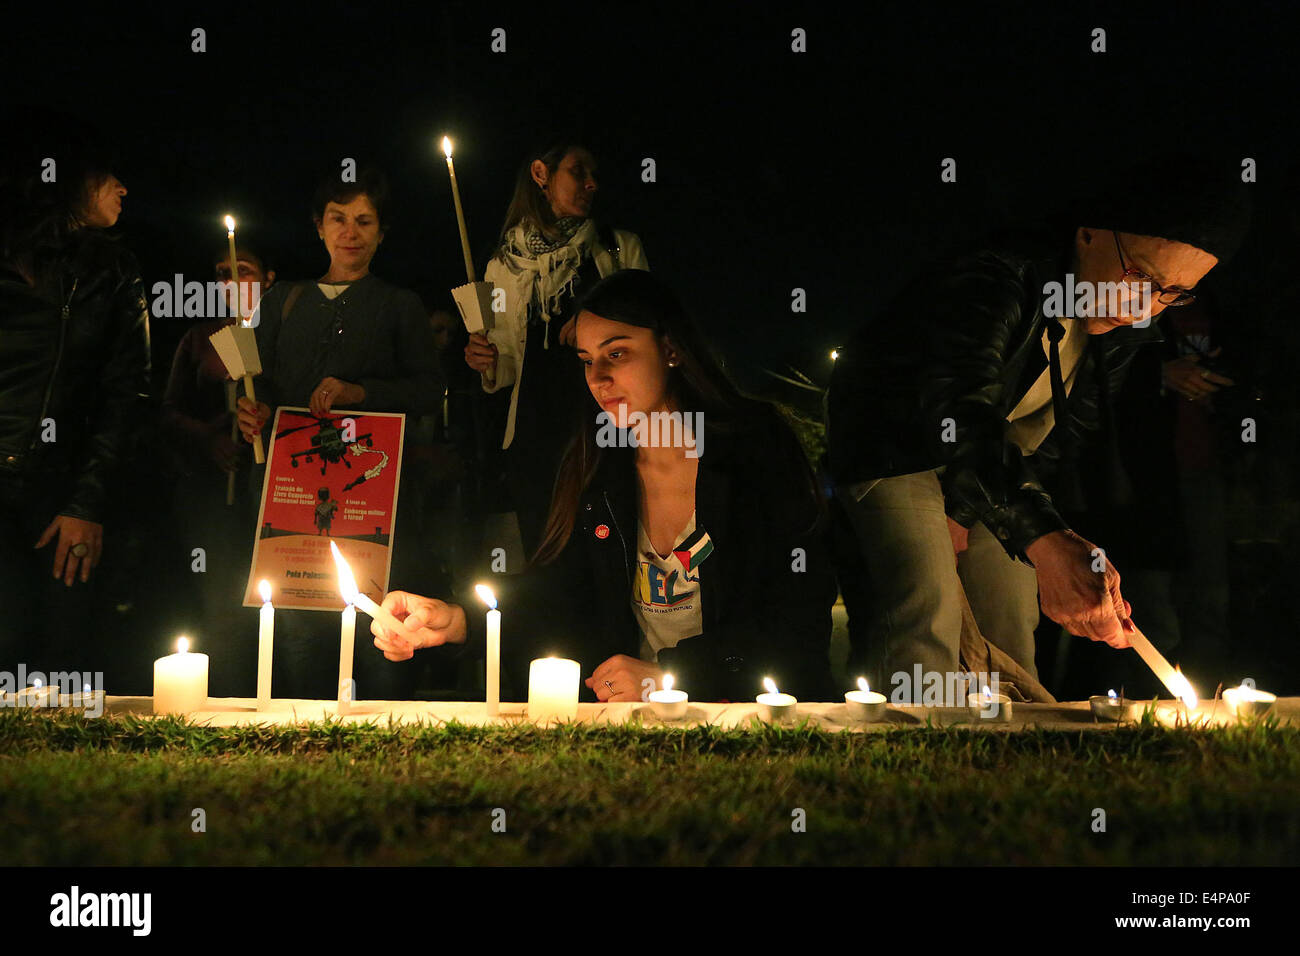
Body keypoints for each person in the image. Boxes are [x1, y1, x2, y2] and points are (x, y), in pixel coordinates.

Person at [825, 159, 1250, 701]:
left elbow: (1059, 439)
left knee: (1011, 608)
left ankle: (1011, 753)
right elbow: (955, 409)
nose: (1145, 307)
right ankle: (912, 754)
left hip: (989, 470)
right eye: (1140, 275)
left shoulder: (1125, 329)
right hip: (895, 447)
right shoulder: (997, 277)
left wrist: (997, 522)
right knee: (925, 598)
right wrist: (1044, 541)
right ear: (1089, 233)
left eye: (1173, 292)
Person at [370, 270, 836, 702]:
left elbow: (798, 614)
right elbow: (557, 593)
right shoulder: (599, 464)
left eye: (617, 353)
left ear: (671, 348)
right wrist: (457, 620)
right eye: (587, 360)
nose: (598, 378)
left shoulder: (753, 449)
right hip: (631, 719)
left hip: (749, 714)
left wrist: (673, 675)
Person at [235, 165, 443, 700]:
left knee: (378, 644)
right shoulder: (283, 301)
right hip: (295, 500)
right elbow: (264, 388)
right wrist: (252, 415)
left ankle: (387, 767)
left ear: (381, 232)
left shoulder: (400, 304)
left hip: (374, 501)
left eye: (365, 221)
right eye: (339, 219)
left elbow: (427, 392)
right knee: (302, 645)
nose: (351, 232)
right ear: (319, 227)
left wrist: (359, 393)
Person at [0, 120, 150, 675]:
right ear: (71, 182)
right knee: (8, 628)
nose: (123, 188)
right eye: (110, 176)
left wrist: (85, 502)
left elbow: (126, 394)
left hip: (60, 487)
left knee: (67, 643)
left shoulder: (112, 271)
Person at [464, 140, 648, 560]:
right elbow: (505, 364)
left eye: (594, 175)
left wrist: (600, 324)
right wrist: (485, 362)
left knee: (608, 557)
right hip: (534, 440)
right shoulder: (502, 266)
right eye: (578, 171)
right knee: (543, 561)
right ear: (541, 175)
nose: (591, 184)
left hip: (603, 434)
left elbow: (651, 333)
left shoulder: (618, 250)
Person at [161, 241, 275, 694]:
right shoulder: (198, 338)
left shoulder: (285, 333)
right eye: (222, 273)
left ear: (268, 279)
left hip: (273, 492)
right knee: (224, 606)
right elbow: (167, 411)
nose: (231, 281)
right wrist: (207, 437)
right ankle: (227, 698)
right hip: (213, 494)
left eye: (243, 270)